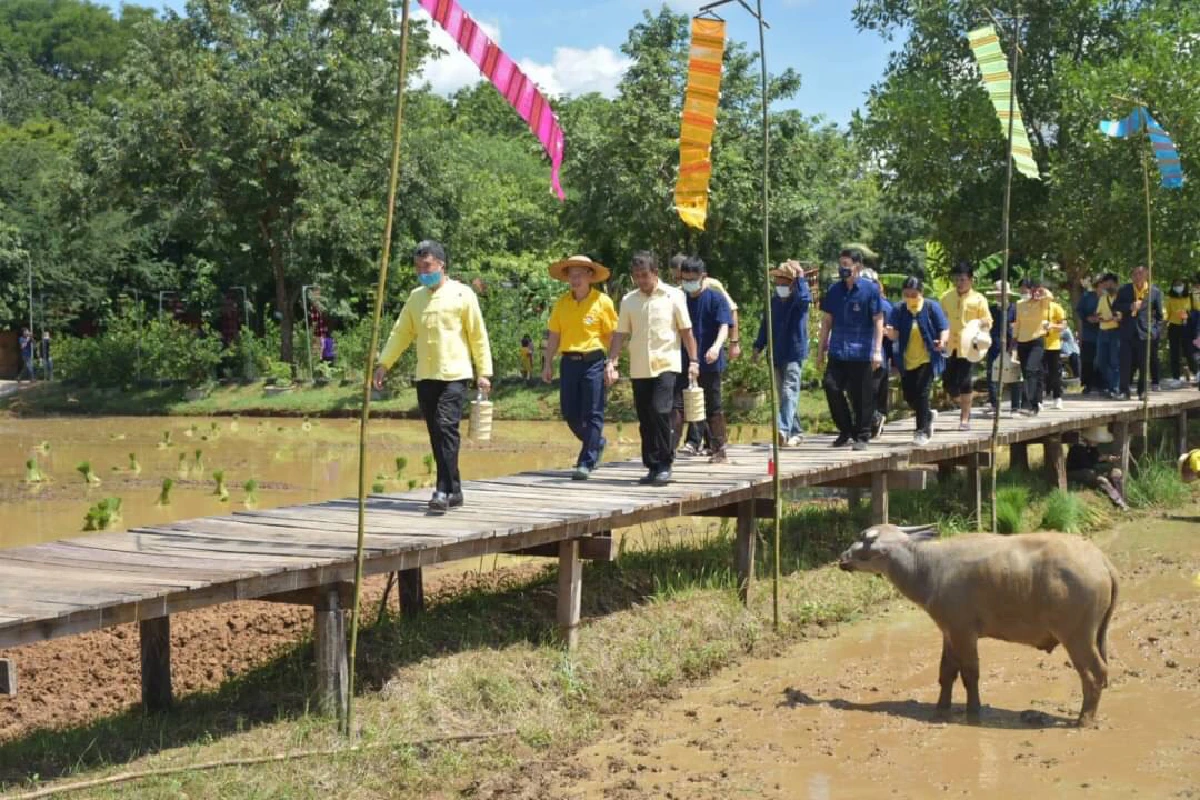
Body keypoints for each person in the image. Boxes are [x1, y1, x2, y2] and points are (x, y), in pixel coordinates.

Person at [374, 240, 492, 513]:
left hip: (455, 374)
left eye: (426, 266)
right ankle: (456, 489)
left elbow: (478, 335)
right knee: (436, 432)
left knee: (446, 426)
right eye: (418, 268)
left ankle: (441, 489)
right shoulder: (416, 298)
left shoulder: (463, 295)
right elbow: (401, 332)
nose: (422, 272)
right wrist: (384, 364)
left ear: (441, 264)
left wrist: (484, 372)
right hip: (426, 376)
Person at [606, 251, 699, 485]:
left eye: (645, 275)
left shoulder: (674, 296)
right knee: (645, 417)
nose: (641, 280)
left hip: (666, 364)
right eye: (637, 276)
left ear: (655, 273)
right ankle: (651, 465)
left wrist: (694, 361)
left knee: (661, 411)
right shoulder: (629, 300)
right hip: (639, 367)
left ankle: (665, 462)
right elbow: (620, 334)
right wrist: (612, 361)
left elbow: (686, 331)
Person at [542, 255, 618, 481]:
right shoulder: (562, 304)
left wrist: (612, 364)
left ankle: (586, 461)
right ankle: (596, 442)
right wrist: (547, 362)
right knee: (569, 412)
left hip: (594, 361)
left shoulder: (602, 302)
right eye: (571, 276)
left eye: (579, 275)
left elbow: (614, 336)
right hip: (569, 362)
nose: (574, 280)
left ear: (590, 276)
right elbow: (554, 335)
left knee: (593, 412)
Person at [817, 248, 885, 450]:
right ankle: (846, 429)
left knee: (862, 395)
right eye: (841, 264)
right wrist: (821, 350)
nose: (842, 269)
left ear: (858, 267)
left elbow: (878, 319)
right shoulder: (834, 290)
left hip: (861, 351)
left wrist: (877, 350)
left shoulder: (869, 290)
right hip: (838, 350)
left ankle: (863, 435)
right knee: (831, 386)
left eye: (846, 265)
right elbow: (827, 321)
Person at [673, 257, 733, 463]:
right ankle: (669, 449)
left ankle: (718, 449)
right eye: (685, 279)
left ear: (703, 277)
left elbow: (724, 325)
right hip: (682, 359)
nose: (688, 283)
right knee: (677, 405)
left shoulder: (716, 298)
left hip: (709, 360)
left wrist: (716, 347)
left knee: (713, 405)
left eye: (692, 279)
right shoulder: (678, 298)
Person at [753, 260, 812, 447]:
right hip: (776, 353)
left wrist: (801, 277)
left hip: (794, 352)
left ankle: (782, 429)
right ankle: (796, 432)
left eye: (784, 284)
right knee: (785, 395)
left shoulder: (798, 300)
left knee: (789, 391)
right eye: (777, 284)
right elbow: (766, 326)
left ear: (792, 284)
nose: (780, 287)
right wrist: (757, 347)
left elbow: (805, 299)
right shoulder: (773, 302)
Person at [887, 276, 949, 445]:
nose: (910, 298)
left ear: (921, 293)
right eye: (907, 294)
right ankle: (927, 414)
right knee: (909, 396)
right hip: (906, 360)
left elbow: (944, 328)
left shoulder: (931, 307)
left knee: (922, 392)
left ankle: (921, 431)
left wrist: (942, 341)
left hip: (927, 358)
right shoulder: (899, 309)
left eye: (914, 294)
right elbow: (894, 334)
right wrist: (890, 331)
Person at [940, 260, 992, 430]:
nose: (959, 283)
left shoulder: (979, 299)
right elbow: (941, 320)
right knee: (948, 382)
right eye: (956, 279)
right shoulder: (947, 297)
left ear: (970, 280)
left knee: (965, 381)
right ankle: (965, 401)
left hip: (968, 346)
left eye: (962, 279)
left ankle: (965, 418)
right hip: (950, 345)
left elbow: (988, 320)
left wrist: (981, 323)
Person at [1112, 265, 1163, 400]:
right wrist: (1129, 306)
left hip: (1145, 333)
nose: (1137, 277)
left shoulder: (1154, 292)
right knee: (1125, 363)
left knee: (1144, 364)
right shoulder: (1125, 290)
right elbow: (1115, 307)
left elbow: (1159, 316)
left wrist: (1155, 331)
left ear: (1146, 275)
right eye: (1134, 274)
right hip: (1127, 331)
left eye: (1140, 274)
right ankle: (1124, 391)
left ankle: (1143, 391)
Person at [860, 268, 893, 440]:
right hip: (860, 356)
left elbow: (892, 335)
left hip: (877, 357)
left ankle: (875, 419)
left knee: (872, 392)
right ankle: (871, 421)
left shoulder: (884, 306)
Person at [1012, 278, 1053, 416]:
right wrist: (1014, 340)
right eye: (1021, 288)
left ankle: (1027, 404)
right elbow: (1017, 323)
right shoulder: (1019, 304)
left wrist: (1040, 291)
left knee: (1031, 369)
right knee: (1027, 373)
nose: (1023, 291)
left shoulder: (1041, 303)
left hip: (1037, 340)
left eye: (1026, 288)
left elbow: (1049, 296)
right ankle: (1034, 404)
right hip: (1023, 341)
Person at [1067, 426, 1128, 510]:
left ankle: (1121, 499)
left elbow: (1094, 458)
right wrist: (1103, 458)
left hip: (1089, 471)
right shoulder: (1077, 448)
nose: (1098, 442)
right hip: (1077, 473)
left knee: (1116, 473)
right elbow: (1087, 463)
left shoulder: (1092, 447)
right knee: (1102, 480)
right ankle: (1119, 503)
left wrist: (1106, 458)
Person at [1093, 272, 1122, 397]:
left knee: (1115, 361)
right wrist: (1098, 318)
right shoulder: (1102, 298)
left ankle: (1114, 388)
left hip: (1115, 331)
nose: (1108, 286)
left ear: (1116, 284)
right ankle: (1108, 385)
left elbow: (1120, 315)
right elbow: (1097, 313)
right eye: (1106, 283)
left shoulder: (1120, 298)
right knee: (1101, 361)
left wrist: (1111, 319)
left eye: (1110, 283)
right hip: (1102, 331)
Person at [1041, 288, 1068, 409]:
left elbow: (1064, 325)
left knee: (1054, 373)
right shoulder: (1035, 308)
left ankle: (1057, 397)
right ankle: (1038, 399)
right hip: (1038, 344)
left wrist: (1052, 325)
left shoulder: (1056, 307)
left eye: (1045, 296)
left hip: (1053, 344)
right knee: (1038, 373)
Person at [1076, 277, 1102, 394]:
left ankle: (1100, 384)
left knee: (1101, 360)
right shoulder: (1087, 297)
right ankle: (1087, 384)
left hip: (1104, 332)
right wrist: (1088, 319)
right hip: (1088, 334)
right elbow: (1080, 314)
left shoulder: (1110, 297)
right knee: (1088, 360)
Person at [1165, 278, 1193, 382]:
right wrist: (1163, 326)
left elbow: (1194, 311)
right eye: (1176, 285)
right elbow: (1166, 314)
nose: (1178, 287)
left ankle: (1196, 372)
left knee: (1189, 350)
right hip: (1174, 327)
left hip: (1187, 326)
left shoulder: (1189, 297)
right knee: (1174, 353)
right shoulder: (1170, 299)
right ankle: (1176, 378)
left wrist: (1188, 315)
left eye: (1180, 284)